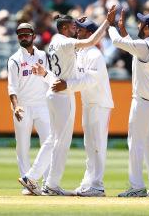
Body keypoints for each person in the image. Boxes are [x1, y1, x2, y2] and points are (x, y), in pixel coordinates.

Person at [18, 6, 116, 196]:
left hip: (54, 92)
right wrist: (107, 22)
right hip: (63, 96)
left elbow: (63, 71)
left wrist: (45, 74)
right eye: (73, 27)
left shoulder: (55, 41)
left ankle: (37, 179)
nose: (75, 30)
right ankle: (46, 183)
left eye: (77, 28)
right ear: (64, 28)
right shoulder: (66, 43)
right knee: (61, 143)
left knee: (53, 139)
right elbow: (91, 40)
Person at [108, 9, 149, 198]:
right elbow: (131, 44)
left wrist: (110, 25)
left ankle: (136, 186)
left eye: (142, 23)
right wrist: (123, 30)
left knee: (135, 143)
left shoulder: (144, 46)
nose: (139, 25)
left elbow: (118, 43)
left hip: (142, 101)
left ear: (148, 28)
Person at [53, 19, 114, 197]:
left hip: (100, 104)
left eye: (81, 29)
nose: (77, 31)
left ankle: (97, 185)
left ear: (90, 33)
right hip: (88, 103)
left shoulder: (94, 54)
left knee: (97, 145)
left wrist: (67, 85)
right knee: (89, 145)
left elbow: (89, 80)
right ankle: (88, 183)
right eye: (77, 28)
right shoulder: (80, 52)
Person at [7, 23, 51, 195]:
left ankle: (48, 183)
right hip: (23, 106)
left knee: (48, 142)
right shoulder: (14, 59)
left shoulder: (42, 55)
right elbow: (12, 87)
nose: (23, 37)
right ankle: (29, 185)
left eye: (26, 34)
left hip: (42, 105)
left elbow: (49, 78)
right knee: (23, 146)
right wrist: (16, 106)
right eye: (20, 35)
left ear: (34, 36)